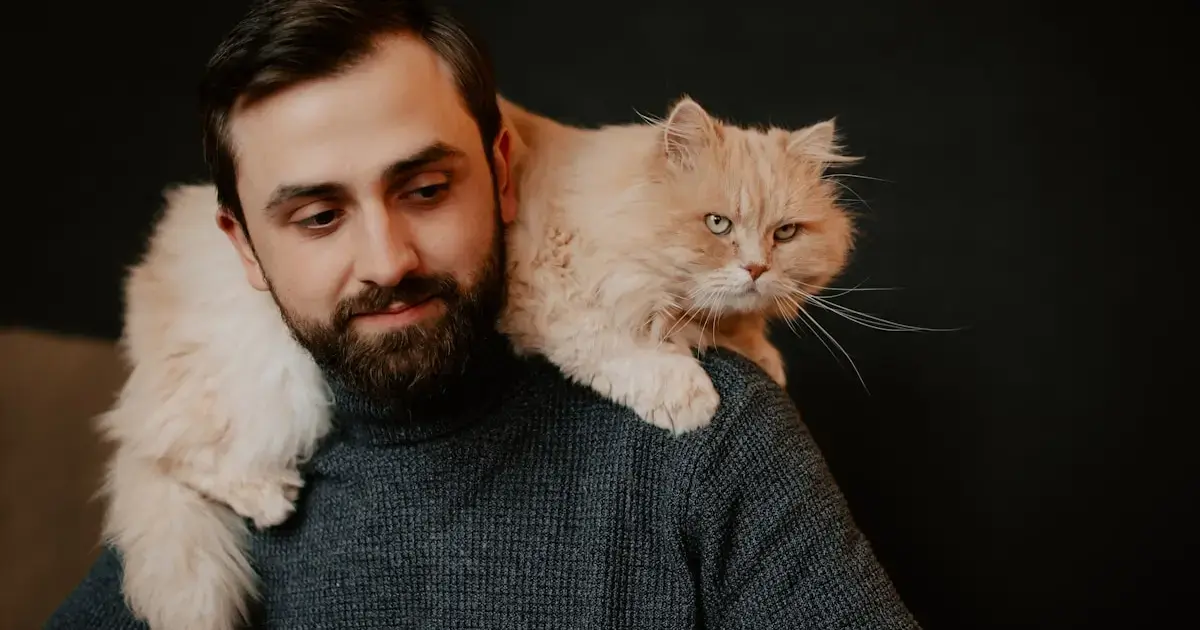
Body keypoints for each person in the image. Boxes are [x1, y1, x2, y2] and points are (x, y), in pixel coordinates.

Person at [47, 0, 922, 627]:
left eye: (426, 189)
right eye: (319, 216)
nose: (388, 259)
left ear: (505, 171)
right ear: (243, 246)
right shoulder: (237, 446)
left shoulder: (715, 436)